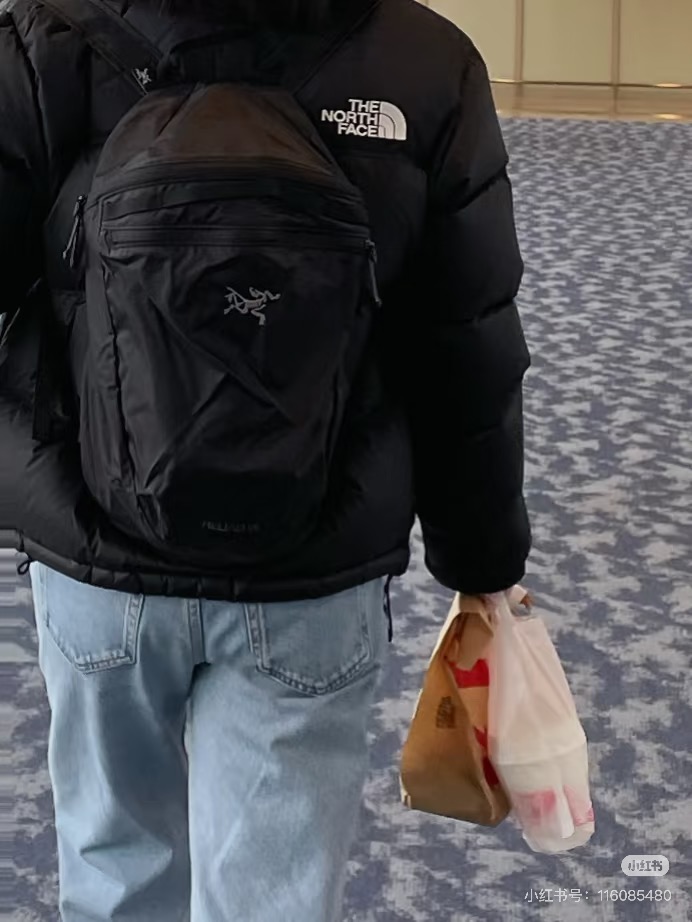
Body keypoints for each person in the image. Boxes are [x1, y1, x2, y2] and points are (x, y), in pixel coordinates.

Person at [0, 0, 532, 919]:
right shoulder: (423, 62)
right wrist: (482, 564)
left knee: (115, 872)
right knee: (274, 896)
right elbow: (465, 341)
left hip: (97, 551)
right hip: (314, 569)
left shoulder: (46, 42)